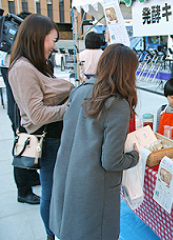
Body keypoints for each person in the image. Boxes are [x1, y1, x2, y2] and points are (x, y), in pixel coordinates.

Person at [49, 44, 140, 240]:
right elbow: (111, 161)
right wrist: (134, 156)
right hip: (94, 190)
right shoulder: (117, 104)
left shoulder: (81, 90)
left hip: (69, 177)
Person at [8, 14, 74, 240]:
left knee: (54, 191)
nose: (54, 46)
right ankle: (52, 234)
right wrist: (70, 107)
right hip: (46, 140)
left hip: (54, 137)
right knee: (51, 192)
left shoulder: (34, 65)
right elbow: (35, 114)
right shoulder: (23, 68)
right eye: (52, 40)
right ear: (37, 38)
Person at [0, 11, 42, 205]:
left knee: (29, 142)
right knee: (23, 142)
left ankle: (31, 176)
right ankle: (23, 191)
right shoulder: (17, 58)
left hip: (20, 106)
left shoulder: (14, 52)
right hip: (20, 108)